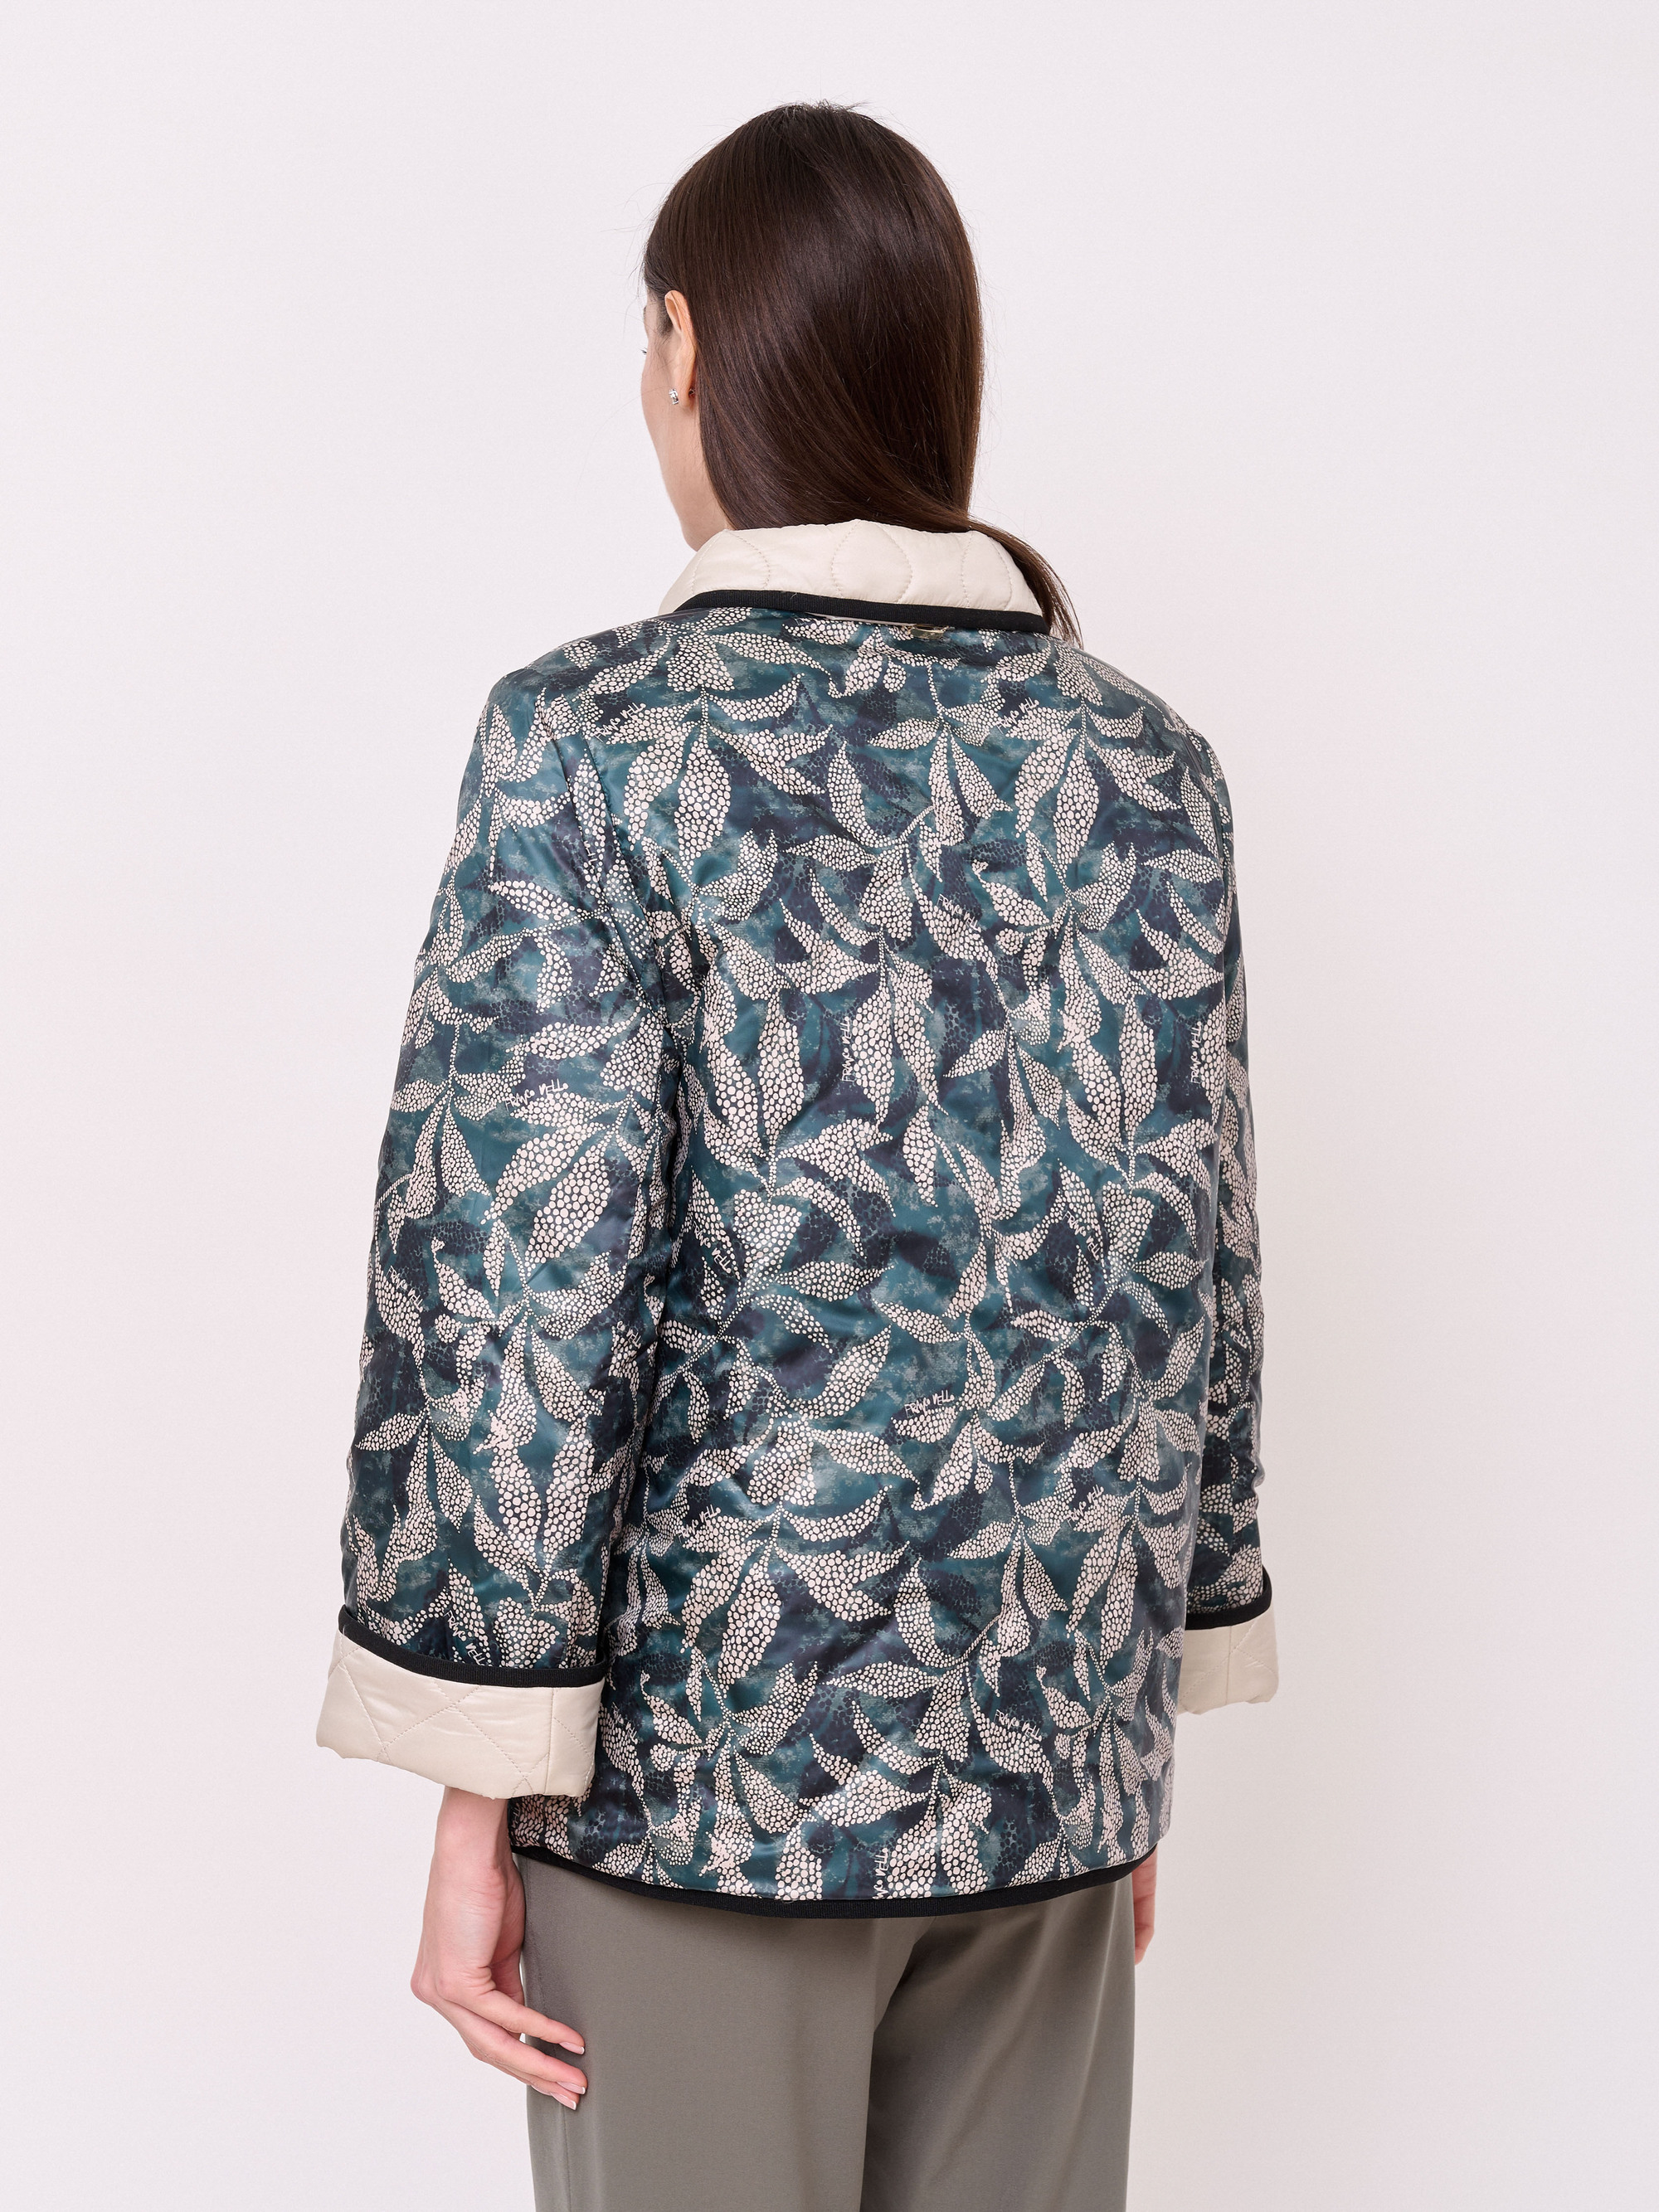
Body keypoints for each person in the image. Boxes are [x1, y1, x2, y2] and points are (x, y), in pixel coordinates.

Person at [317, 100, 1278, 2212]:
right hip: (1047, 1755)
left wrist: (475, 1783)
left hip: (702, 1794)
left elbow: (521, 1279)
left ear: (685, 344)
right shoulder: (1147, 764)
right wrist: (1119, 1726)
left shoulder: (594, 742)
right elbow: (1186, 1253)